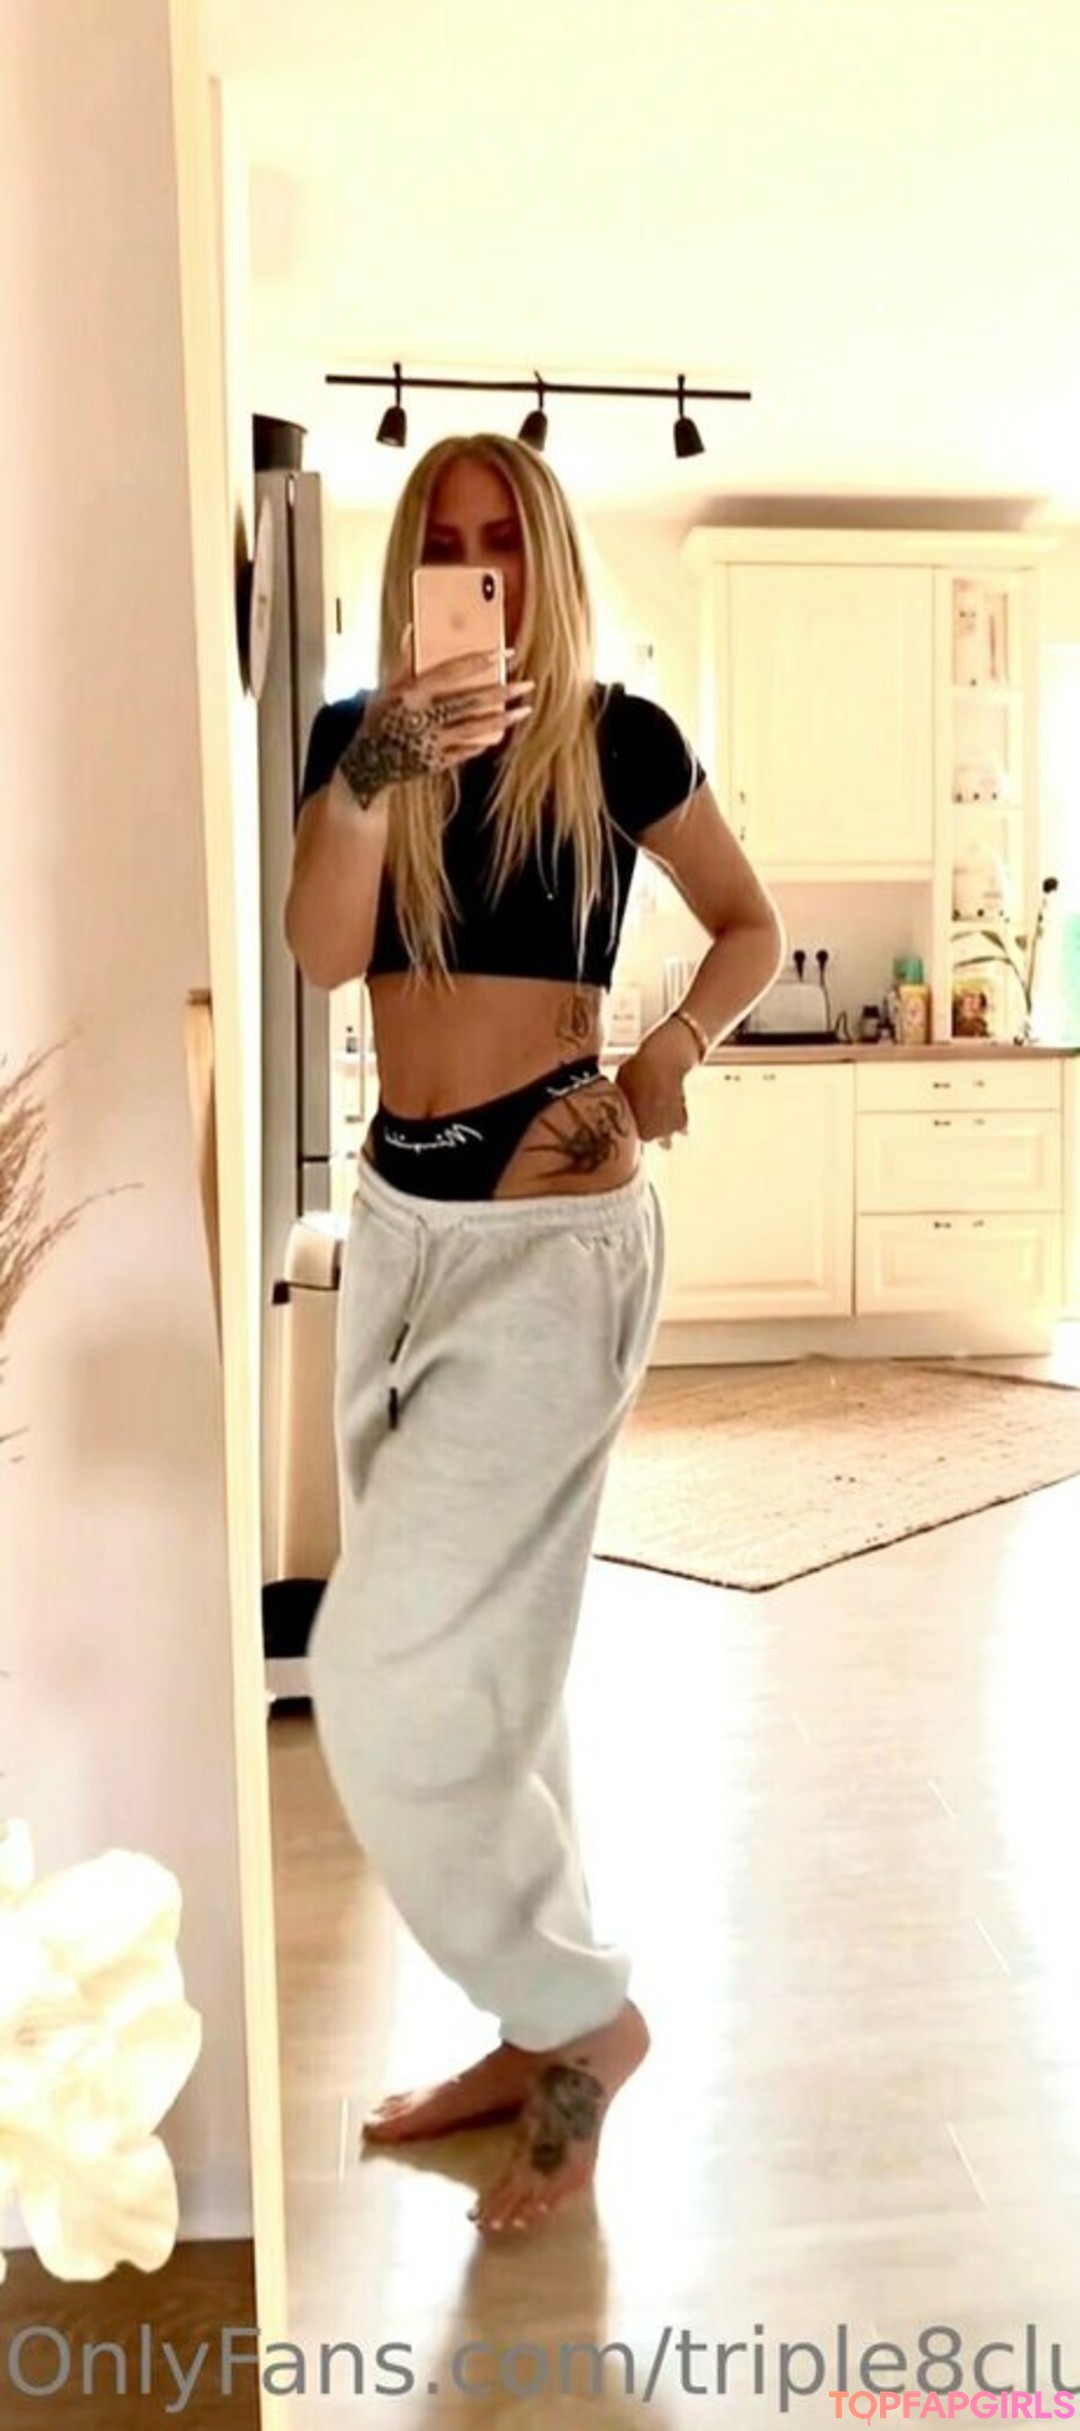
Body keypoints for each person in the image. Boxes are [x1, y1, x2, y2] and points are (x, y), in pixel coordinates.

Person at [284, 433, 783, 2239]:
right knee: (500, 1676)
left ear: (547, 560)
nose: (477, 569)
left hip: (556, 1237)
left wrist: (671, 1053)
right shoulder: (360, 739)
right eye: (448, 540)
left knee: (375, 1675)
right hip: (403, 1232)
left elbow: (749, 925)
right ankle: (532, 2039)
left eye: (504, 540)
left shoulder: (618, 738)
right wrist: (379, 767)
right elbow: (323, 952)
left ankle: (584, 2022)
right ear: (414, 564)